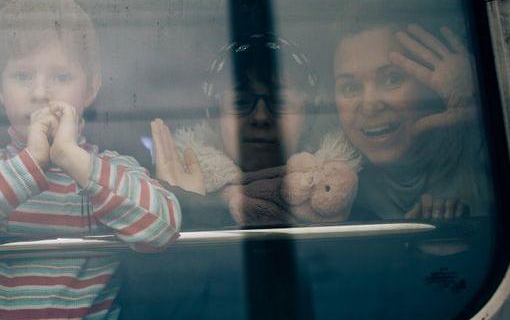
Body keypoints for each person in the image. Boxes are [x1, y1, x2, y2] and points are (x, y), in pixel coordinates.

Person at [0, 0, 180, 320]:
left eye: (61, 77)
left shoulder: (112, 169)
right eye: (23, 76)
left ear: (90, 89)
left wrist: (73, 159)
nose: (41, 93)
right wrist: (30, 162)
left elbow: (163, 229)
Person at [149, 34, 359, 228]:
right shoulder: (178, 200)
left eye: (279, 101)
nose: (260, 117)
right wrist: (183, 211)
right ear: (214, 119)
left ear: (308, 120)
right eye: (241, 102)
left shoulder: (354, 208)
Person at [332, 23, 493, 219]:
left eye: (392, 79)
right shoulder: (332, 184)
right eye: (350, 88)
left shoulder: (485, 156)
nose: (369, 106)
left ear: (433, 83)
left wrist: (484, 103)